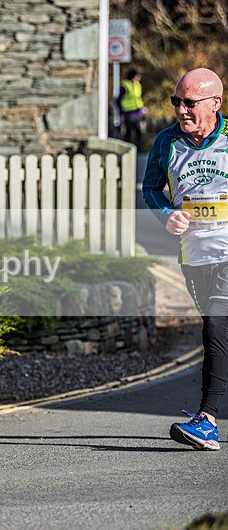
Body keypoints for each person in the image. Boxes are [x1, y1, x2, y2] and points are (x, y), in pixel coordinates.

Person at [143, 67, 227, 451]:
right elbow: (151, 189)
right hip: (193, 256)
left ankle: (206, 421)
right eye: (176, 101)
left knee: (216, 329)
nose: (181, 109)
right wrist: (165, 214)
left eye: (190, 102)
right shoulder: (167, 142)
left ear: (215, 103)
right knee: (216, 332)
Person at [115, 69, 147, 149]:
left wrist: (141, 109)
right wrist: (121, 112)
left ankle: (139, 148)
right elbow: (118, 100)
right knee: (128, 132)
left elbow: (138, 98)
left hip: (137, 112)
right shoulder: (125, 86)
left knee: (138, 131)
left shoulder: (138, 85)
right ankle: (127, 148)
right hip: (128, 113)